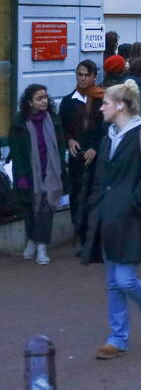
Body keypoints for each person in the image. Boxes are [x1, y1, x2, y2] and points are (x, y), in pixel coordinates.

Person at [80, 82, 141, 359]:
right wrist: (96, 207)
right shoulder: (107, 138)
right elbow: (100, 179)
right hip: (106, 215)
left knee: (125, 279)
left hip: (130, 217)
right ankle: (118, 337)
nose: (101, 108)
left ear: (120, 105)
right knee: (112, 280)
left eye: (106, 103)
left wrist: (133, 204)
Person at [11, 85, 69, 265]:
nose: (44, 101)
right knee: (30, 208)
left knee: (46, 208)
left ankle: (42, 246)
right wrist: (21, 175)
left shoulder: (54, 119)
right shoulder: (19, 122)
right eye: (39, 98)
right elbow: (16, 150)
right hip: (29, 171)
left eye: (45, 97)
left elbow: (60, 143)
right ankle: (31, 240)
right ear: (30, 102)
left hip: (50, 171)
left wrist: (60, 164)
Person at [60, 60, 106, 236]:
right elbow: (62, 128)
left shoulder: (102, 100)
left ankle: (94, 233)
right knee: (77, 194)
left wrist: (95, 148)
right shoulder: (68, 101)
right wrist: (69, 140)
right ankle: (80, 231)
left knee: (95, 194)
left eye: (87, 75)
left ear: (94, 76)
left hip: (97, 157)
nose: (83, 78)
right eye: (80, 74)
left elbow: (105, 129)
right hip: (76, 157)